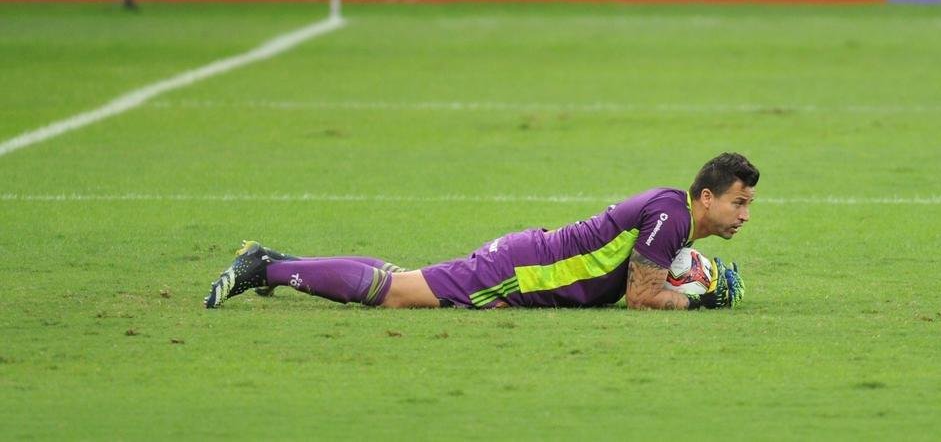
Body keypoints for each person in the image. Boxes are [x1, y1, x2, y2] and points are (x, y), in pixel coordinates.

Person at [205, 152, 758, 311]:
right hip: (520, 272)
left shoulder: (673, 214)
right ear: (707, 197)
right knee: (396, 294)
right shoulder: (671, 216)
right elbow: (641, 296)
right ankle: (266, 268)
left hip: (526, 262)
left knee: (404, 278)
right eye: (738, 202)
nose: (744, 215)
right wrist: (699, 299)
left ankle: (281, 261)